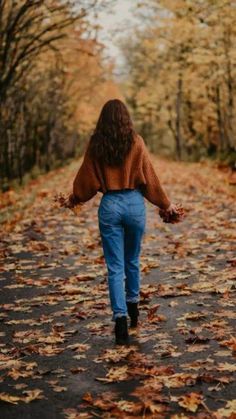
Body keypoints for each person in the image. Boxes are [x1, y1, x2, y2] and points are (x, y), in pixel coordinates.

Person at [68, 99, 178, 345]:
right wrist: (166, 204)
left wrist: (74, 197)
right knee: (132, 260)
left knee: (115, 266)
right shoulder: (136, 141)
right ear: (126, 118)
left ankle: (120, 321)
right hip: (134, 204)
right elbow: (150, 178)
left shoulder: (96, 145)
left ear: (102, 120)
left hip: (110, 206)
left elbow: (86, 181)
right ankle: (134, 311)